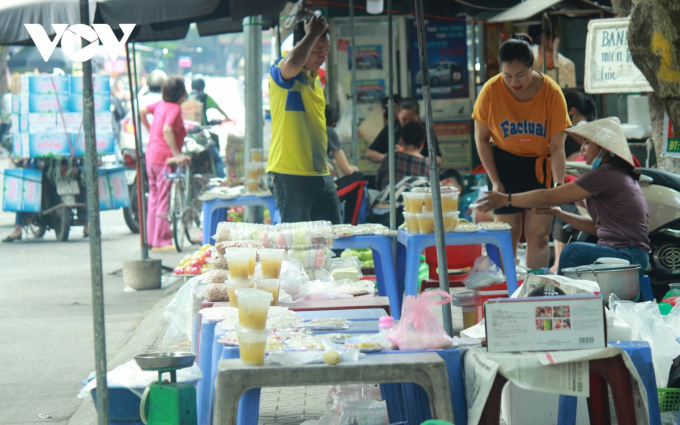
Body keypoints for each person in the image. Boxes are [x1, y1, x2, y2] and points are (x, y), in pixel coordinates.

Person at [477, 117, 650, 275]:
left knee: (572, 251)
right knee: (574, 249)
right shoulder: (614, 173)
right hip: (629, 254)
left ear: (604, 150)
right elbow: (599, 228)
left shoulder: (604, 174)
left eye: (587, 143)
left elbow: (549, 197)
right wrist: (558, 213)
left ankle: (564, 301)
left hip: (629, 255)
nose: (582, 149)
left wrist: (506, 199)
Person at [472, 33, 571, 269]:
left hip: (539, 166)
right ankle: (507, 292)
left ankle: (533, 292)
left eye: (520, 75)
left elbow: (557, 147)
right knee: (508, 234)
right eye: (507, 75)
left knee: (538, 236)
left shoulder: (552, 92)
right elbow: (482, 139)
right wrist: (495, 182)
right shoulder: (491, 90)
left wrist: (558, 189)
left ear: (532, 67)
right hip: (503, 165)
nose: (513, 82)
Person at [266, 15, 342, 224]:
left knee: (332, 240)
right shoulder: (283, 72)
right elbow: (292, 63)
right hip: (290, 175)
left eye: (326, 50)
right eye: (318, 50)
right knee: (298, 245)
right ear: (302, 45)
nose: (323, 56)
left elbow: (311, 127)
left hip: (320, 174)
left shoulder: (314, 80)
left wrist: (321, 160)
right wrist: (312, 34)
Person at [139, 76, 191, 251]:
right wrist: (177, 154)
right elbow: (168, 129)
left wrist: (151, 131)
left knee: (153, 198)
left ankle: (152, 240)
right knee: (162, 198)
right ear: (180, 93)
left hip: (151, 157)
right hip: (164, 159)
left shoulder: (160, 104)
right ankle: (161, 241)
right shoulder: (174, 108)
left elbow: (141, 111)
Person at [550, 90, 598, 272]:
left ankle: (557, 265)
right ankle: (557, 264)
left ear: (570, 111)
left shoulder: (574, 133)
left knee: (563, 206)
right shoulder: (592, 131)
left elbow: (573, 166)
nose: (583, 149)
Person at [365, 98, 443, 165]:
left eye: (411, 120)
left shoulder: (425, 130)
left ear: (418, 116)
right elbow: (369, 154)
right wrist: (393, 158)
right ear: (398, 114)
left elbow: (438, 159)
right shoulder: (392, 129)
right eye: (404, 119)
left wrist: (419, 160)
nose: (407, 123)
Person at [375, 122, 430, 192]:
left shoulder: (389, 159)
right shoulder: (427, 164)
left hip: (388, 201)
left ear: (401, 140)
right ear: (422, 144)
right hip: (414, 202)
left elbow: (378, 184)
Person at [325, 105, 358, 177]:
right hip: (320, 180)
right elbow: (347, 170)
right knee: (358, 176)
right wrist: (355, 168)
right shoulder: (329, 131)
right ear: (333, 124)